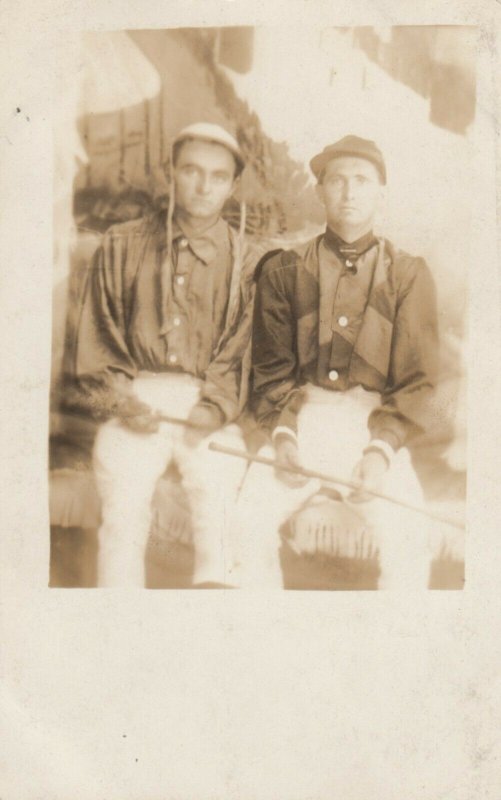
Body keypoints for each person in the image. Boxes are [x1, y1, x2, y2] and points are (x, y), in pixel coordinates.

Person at [235, 135, 439, 590]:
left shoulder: (407, 275)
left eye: (362, 181)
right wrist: (284, 439)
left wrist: (381, 450)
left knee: (410, 536)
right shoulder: (285, 270)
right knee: (244, 524)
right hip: (302, 415)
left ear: (380, 193)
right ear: (320, 191)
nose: (349, 193)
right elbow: (271, 372)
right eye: (337, 181)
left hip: (374, 420)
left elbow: (417, 381)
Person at [66, 122, 260, 588]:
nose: (203, 185)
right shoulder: (122, 243)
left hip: (207, 400)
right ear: (170, 172)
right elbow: (97, 342)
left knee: (217, 505)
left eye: (217, 176)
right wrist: (121, 403)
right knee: (123, 511)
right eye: (191, 170)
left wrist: (213, 409)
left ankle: (213, 623)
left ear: (233, 186)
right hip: (137, 393)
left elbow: (240, 351)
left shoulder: (247, 260)